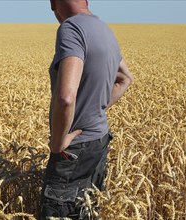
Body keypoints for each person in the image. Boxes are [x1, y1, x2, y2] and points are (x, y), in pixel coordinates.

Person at [39, 0, 134, 219]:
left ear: (54, 5)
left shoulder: (71, 28)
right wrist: (97, 109)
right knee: (87, 211)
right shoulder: (104, 29)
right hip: (98, 141)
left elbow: (66, 97)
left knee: (58, 213)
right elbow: (125, 79)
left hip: (74, 148)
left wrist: (58, 142)